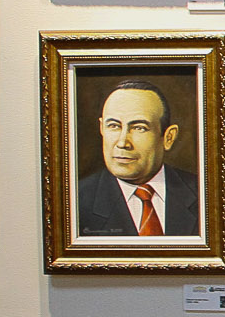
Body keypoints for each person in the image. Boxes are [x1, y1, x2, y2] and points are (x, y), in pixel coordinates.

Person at [75, 79, 201, 237]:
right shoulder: (75, 202)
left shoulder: (204, 194)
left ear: (168, 137)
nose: (122, 143)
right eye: (114, 126)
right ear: (101, 128)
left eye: (139, 128)